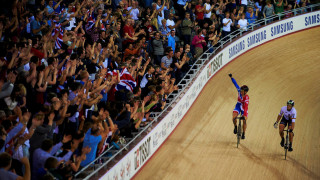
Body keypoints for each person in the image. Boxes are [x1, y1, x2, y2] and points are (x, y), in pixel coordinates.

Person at [228, 73, 249, 139]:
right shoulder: (239, 90)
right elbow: (235, 83)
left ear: (245, 92)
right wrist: (231, 77)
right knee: (234, 117)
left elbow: (245, 107)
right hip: (238, 105)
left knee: (244, 120)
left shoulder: (247, 97)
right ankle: (235, 127)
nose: (241, 92)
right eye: (241, 91)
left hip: (244, 108)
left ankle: (243, 133)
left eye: (242, 91)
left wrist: (244, 115)